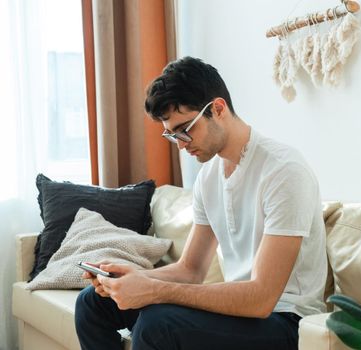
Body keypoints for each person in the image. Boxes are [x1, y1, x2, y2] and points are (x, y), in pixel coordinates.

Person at [75, 56, 327, 350]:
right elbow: (191, 270)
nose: (181, 144)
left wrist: (155, 290)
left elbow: (261, 298)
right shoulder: (209, 178)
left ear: (218, 109)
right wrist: (135, 277)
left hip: (286, 322)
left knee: (158, 325)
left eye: (185, 128)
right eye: (171, 135)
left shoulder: (284, 170)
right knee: (92, 303)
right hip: (240, 313)